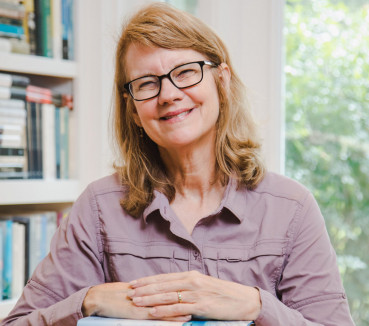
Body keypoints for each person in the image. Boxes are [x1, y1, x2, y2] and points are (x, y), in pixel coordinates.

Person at [1, 3, 354, 326]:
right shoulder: (98, 208)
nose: (168, 94)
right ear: (133, 110)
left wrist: (256, 305)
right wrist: (89, 300)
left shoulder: (291, 208)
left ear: (222, 81)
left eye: (185, 72)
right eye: (146, 83)